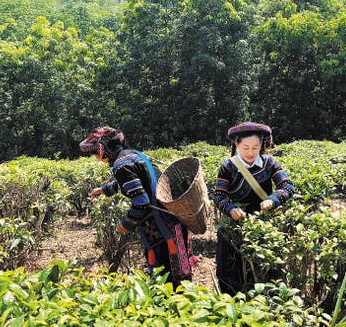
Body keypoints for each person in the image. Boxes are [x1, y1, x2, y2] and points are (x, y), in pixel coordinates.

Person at [80, 126, 192, 286]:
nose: (96, 157)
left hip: (160, 227)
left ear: (105, 148)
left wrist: (125, 224)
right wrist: (103, 190)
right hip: (173, 217)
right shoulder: (134, 154)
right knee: (180, 271)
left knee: (167, 276)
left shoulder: (120, 165)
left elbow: (141, 203)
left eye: (95, 152)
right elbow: (137, 182)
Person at [211, 122, 295, 295]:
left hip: (264, 224)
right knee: (231, 270)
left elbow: (287, 186)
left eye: (255, 148)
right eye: (245, 147)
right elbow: (218, 195)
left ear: (262, 145)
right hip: (235, 226)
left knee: (268, 271)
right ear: (236, 144)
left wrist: (273, 199)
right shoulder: (228, 166)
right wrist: (230, 208)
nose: (250, 153)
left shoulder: (270, 163)